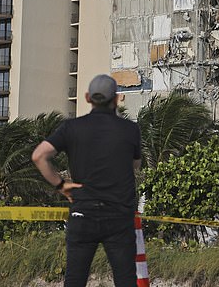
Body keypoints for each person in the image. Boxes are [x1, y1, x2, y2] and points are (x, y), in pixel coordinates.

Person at [32, 74, 142, 287]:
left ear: (87, 98)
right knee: (126, 280)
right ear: (117, 98)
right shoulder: (130, 130)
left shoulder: (71, 128)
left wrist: (61, 185)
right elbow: (135, 166)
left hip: (83, 212)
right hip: (119, 215)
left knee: (75, 279)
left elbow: (38, 156)